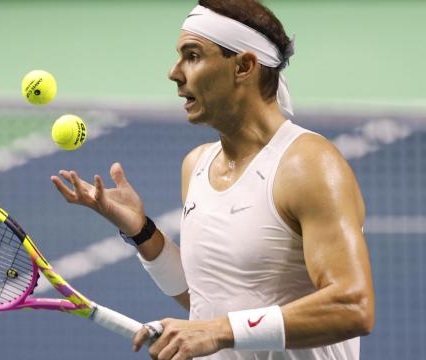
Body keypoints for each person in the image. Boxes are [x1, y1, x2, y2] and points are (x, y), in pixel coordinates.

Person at [50, 0, 375, 359]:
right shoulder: (197, 165)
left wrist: (218, 331)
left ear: (243, 66)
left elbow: (352, 307)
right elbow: (206, 298)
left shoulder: (307, 164)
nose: (174, 73)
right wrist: (141, 232)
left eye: (192, 56)